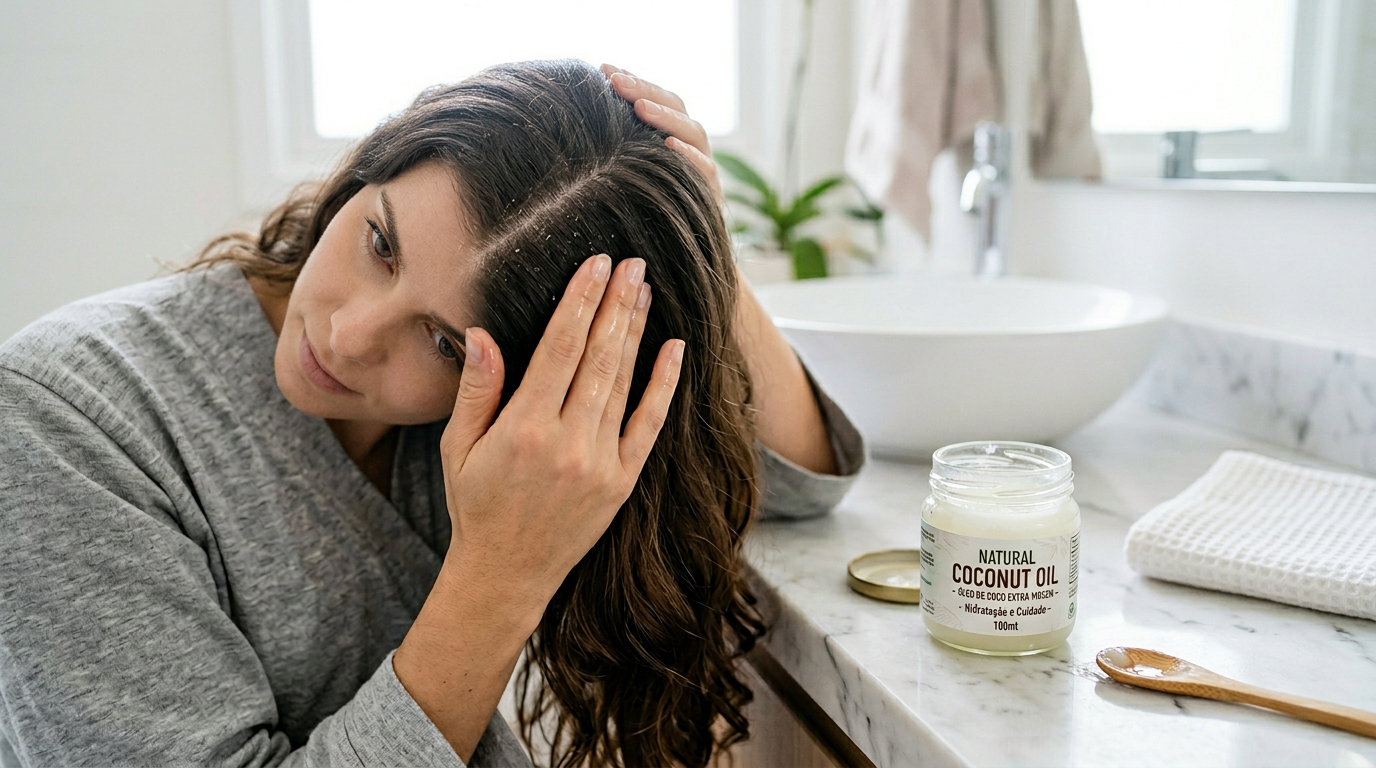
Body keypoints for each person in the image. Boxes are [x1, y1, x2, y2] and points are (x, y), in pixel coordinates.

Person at [0, 60, 863, 767]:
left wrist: (695, 244)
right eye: (379, 242)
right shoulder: (62, 418)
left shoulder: (507, 429)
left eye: (445, 343)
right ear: (375, 160)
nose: (345, 335)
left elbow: (797, 486)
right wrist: (501, 573)